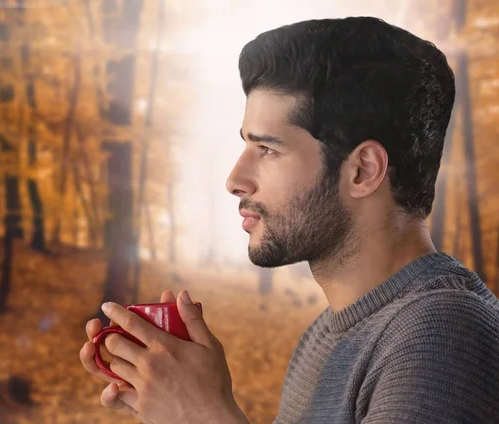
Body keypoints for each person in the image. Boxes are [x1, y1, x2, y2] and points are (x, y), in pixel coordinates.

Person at [79, 16, 499, 423]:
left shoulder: (444, 336)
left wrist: (206, 414)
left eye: (268, 150)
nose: (235, 180)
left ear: (363, 170)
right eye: (247, 145)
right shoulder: (326, 334)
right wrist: (175, 406)